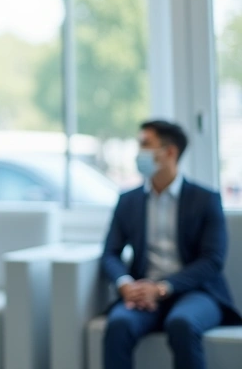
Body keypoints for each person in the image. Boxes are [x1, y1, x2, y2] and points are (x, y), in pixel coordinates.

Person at [101, 120, 240, 369]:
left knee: (182, 324)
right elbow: (110, 253)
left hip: (197, 292)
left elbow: (212, 260)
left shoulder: (206, 199)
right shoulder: (128, 201)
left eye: (145, 144)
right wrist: (125, 284)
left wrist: (163, 288)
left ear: (170, 151)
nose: (138, 153)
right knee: (119, 324)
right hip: (142, 292)